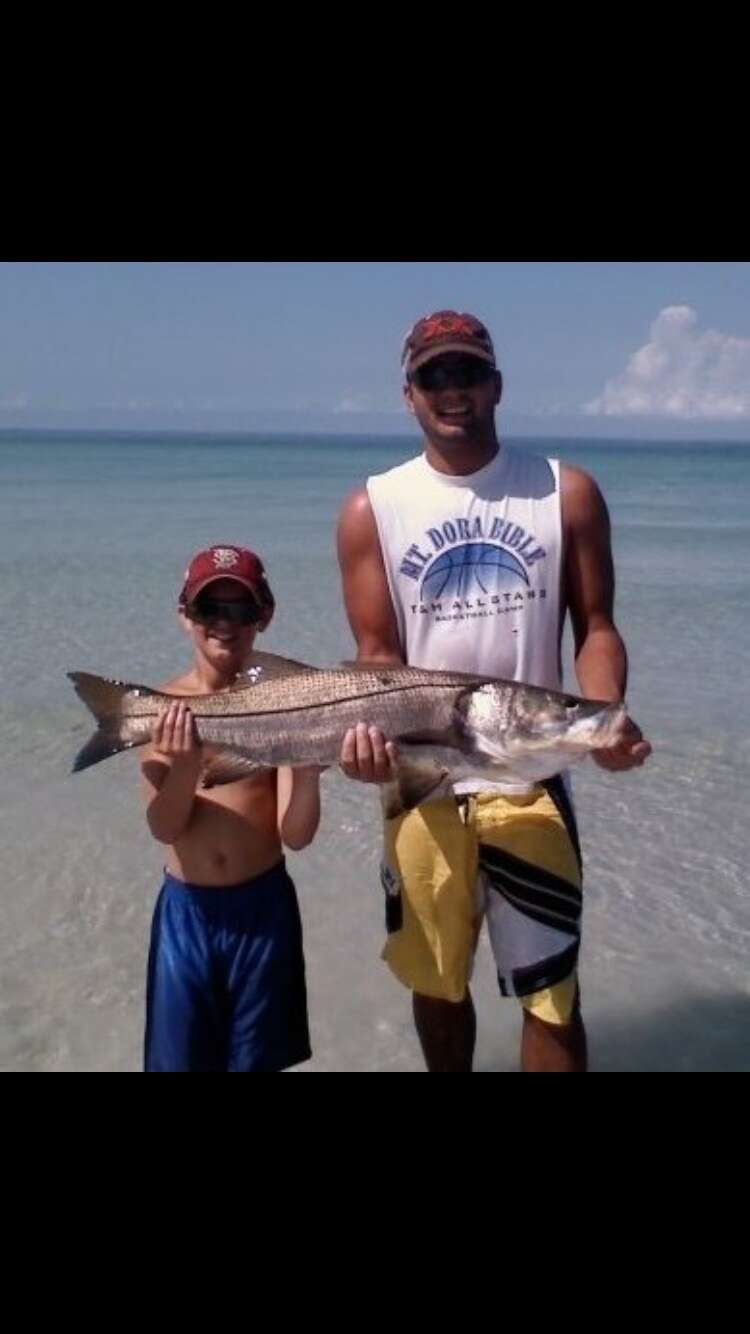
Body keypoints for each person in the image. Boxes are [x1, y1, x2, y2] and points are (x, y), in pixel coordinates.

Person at [337, 310, 651, 1072]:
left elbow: (597, 628)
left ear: (497, 385)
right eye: (433, 376)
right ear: (407, 394)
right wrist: (361, 751)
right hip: (422, 782)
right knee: (438, 984)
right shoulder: (370, 510)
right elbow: (377, 658)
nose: (452, 390)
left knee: (552, 992)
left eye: (468, 372)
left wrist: (605, 717)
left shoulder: (564, 492)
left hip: (531, 783)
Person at [140, 544, 322, 1073]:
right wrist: (184, 765)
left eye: (241, 610)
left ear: (263, 616)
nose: (225, 623)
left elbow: (298, 833)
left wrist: (307, 767)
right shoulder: (164, 708)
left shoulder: (288, 703)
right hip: (186, 915)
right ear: (184, 616)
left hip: (264, 910)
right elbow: (163, 825)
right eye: (208, 609)